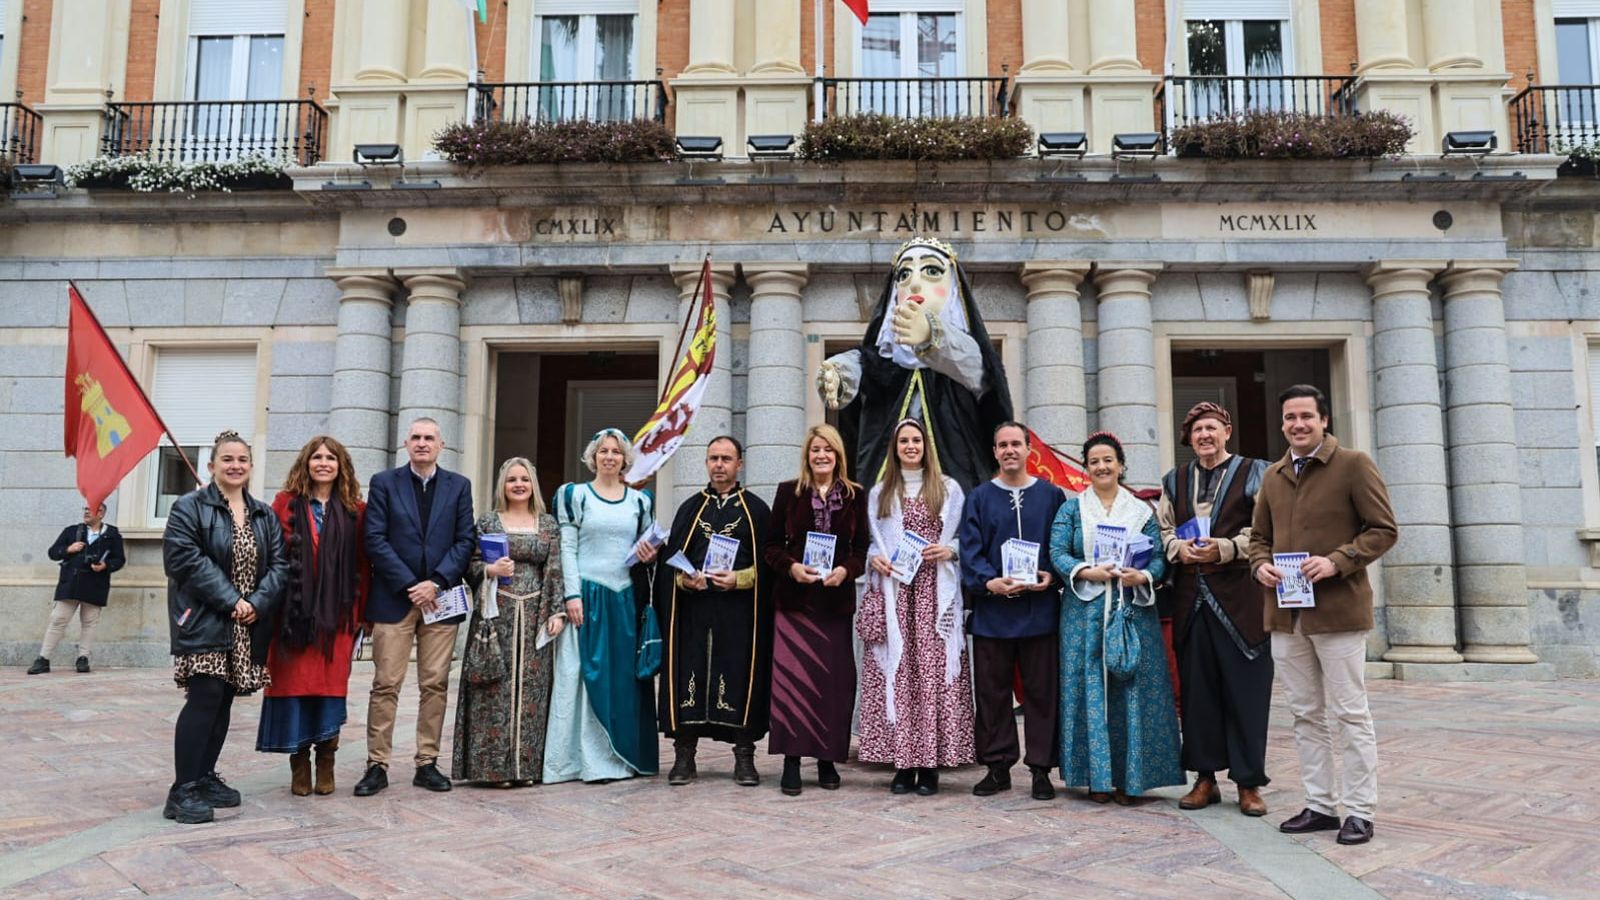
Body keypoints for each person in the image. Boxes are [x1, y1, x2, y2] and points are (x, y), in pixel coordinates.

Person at [1250, 384, 1397, 846]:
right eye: (1290, 417)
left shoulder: (1353, 465)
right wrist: (1260, 566)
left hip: (1338, 613)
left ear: (1324, 420)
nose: (1298, 424)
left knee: (1350, 713)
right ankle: (1319, 805)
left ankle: (1359, 811)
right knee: (1305, 714)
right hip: (1286, 616)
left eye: (1306, 417)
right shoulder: (1272, 476)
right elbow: (1258, 539)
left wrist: (1338, 560)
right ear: (1283, 424)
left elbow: (1383, 529)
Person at [818, 236, 1014, 492]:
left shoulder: (966, 352)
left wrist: (931, 334)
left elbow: (975, 367)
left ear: (953, 287)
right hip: (891, 485)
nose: (915, 284)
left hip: (951, 480)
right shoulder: (887, 359)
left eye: (932, 271)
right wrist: (840, 372)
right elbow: (866, 363)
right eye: (904, 274)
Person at [161, 430, 288, 824]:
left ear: (251, 467)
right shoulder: (189, 507)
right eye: (227, 459)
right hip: (204, 619)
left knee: (224, 699)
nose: (235, 466)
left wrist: (257, 604)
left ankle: (203, 777)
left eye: (242, 460)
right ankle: (182, 790)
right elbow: (183, 560)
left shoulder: (263, 513)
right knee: (205, 696)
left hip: (247, 625)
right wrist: (233, 601)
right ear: (212, 465)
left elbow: (281, 566)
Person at [1052, 431, 1183, 805]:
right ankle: (1097, 777)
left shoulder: (1141, 511)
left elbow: (1158, 557)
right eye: (1094, 461)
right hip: (1085, 613)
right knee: (1089, 689)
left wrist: (1143, 576)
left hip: (1130, 611)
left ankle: (1132, 778)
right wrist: (1083, 571)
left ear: (1121, 465)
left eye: (1108, 460)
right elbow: (1057, 551)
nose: (1102, 466)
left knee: (1131, 691)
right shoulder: (1071, 509)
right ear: (1086, 468)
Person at [1158, 403, 1272, 817]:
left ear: (1227, 431)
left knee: (1246, 692)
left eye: (1212, 428)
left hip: (1241, 600)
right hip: (1192, 599)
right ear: (1188, 438)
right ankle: (1204, 778)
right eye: (1196, 430)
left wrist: (1226, 548)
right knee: (1198, 692)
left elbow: (1265, 529)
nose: (1204, 435)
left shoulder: (1256, 471)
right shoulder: (1176, 479)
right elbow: (1163, 529)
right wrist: (1179, 549)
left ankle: (1249, 782)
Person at [356, 417, 476, 797]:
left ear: (442, 445)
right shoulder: (384, 483)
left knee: (435, 684)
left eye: (429, 438)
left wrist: (436, 582)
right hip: (395, 598)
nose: (423, 444)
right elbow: (374, 539)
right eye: (416, 438)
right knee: (386, 684)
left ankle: (427, 762)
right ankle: (377, 764)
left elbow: (465, 539)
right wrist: (411, 584)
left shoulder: (459, 486)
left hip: (441, 599)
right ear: (405, 444)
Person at [858, 418, 973, 796]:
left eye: (916, 440)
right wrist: (875, 559)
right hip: (896, 593)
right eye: (904, 440)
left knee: (931, 674)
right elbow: (875, 543)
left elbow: (964, 538)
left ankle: (930, 764)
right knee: (901, 674)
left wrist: (949, 550)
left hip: (932, 591)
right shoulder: (880, 492)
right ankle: (903, 762)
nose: (910, 446)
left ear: (926, 446)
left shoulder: (948, 488)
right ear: (894, 447)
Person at [960, 422, 1067, 800]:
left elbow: (1062, 546)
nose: (1009, 450)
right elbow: (969, 551)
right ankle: (997, 765)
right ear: (995, 451)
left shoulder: (1052, 496)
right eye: (1002, 444)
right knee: (992, 695)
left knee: (1042, 694)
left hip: (1039, 612)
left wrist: (1050, 576)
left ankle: (1041, 768)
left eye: (1016, 444)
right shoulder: (979, 497)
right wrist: (989, 582)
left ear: (1027, 450)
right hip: (993, 614)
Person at [545, 429, 659, 783]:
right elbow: (566, 548)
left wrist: (650, 554)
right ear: (592, 457)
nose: (609, 457)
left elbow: (644, 552)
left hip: (623, 599)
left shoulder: (640, 502)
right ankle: (579, 761)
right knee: (581, 677)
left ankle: (617, 758)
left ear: (625, 459)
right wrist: (572, 595)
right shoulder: (574, 496)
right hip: (587, 598)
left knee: (621, 681)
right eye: (603, 451)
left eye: (616, 452)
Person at [658, 436, 773, 787]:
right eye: (713, 458)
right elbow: (669, 564)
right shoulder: (689, 508)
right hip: (694, 611)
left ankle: (743, 757)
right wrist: (683, 581)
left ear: (740, 463)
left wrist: (739, 579)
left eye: (726, 458)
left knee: (739, 675)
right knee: (688, 673)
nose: (719, 464)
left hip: (739, 612)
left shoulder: (756, 510)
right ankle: (684, 756)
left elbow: (769, 565)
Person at [257, 436, 368, 797]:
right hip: (291, 617)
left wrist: (364, 614)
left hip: (337, 616)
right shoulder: (285, 504)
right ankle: (299, 761)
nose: (323, 463)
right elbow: (268, 555)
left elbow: (364, 565)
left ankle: (327, 760)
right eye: (316, 457)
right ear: (306, 463)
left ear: (341, 465)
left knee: (330, 688)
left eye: (330, 458)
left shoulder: (355, 508)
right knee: (294, 687)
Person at [763, 424, 869, 796]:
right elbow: (771, 545)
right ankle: (792, 761)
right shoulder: (788, 493)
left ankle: (826, 760)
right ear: (807, 455)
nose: (821, 455)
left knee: (831, 685)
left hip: (834, 605)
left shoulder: (857, 496)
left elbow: (862, 548)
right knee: (793, 683)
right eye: (815, 450)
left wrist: (846, 571)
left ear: (838, 455)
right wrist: (791, 567)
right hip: (794, 603)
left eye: (828, 450)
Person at [453, 457, 564, 786]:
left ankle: (525, 769)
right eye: (512, 479)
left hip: (534, 616)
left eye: (525, 479)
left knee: (533, 690)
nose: (518, 484)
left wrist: (555, 612)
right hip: (494, 615)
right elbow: (470, 564)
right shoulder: (488, 522)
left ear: (533, 485)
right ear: (503, 485)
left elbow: (555, 571)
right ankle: (492, 769)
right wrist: (489, 570)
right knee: (493, 689)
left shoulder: (547, 524)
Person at [29, 501, 125, 674]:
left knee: (89, 623)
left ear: (101, 513)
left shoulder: (112, 534)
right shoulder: (72, 531)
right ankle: (43, 659)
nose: (87, 512)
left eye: (91, 510)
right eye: (86, 509)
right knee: (58, 620)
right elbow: (52, 552)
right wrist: (68, 549)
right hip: (71, 583)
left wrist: (105, 565)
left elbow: (120, 559)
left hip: (96, 584)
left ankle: (83, 658)